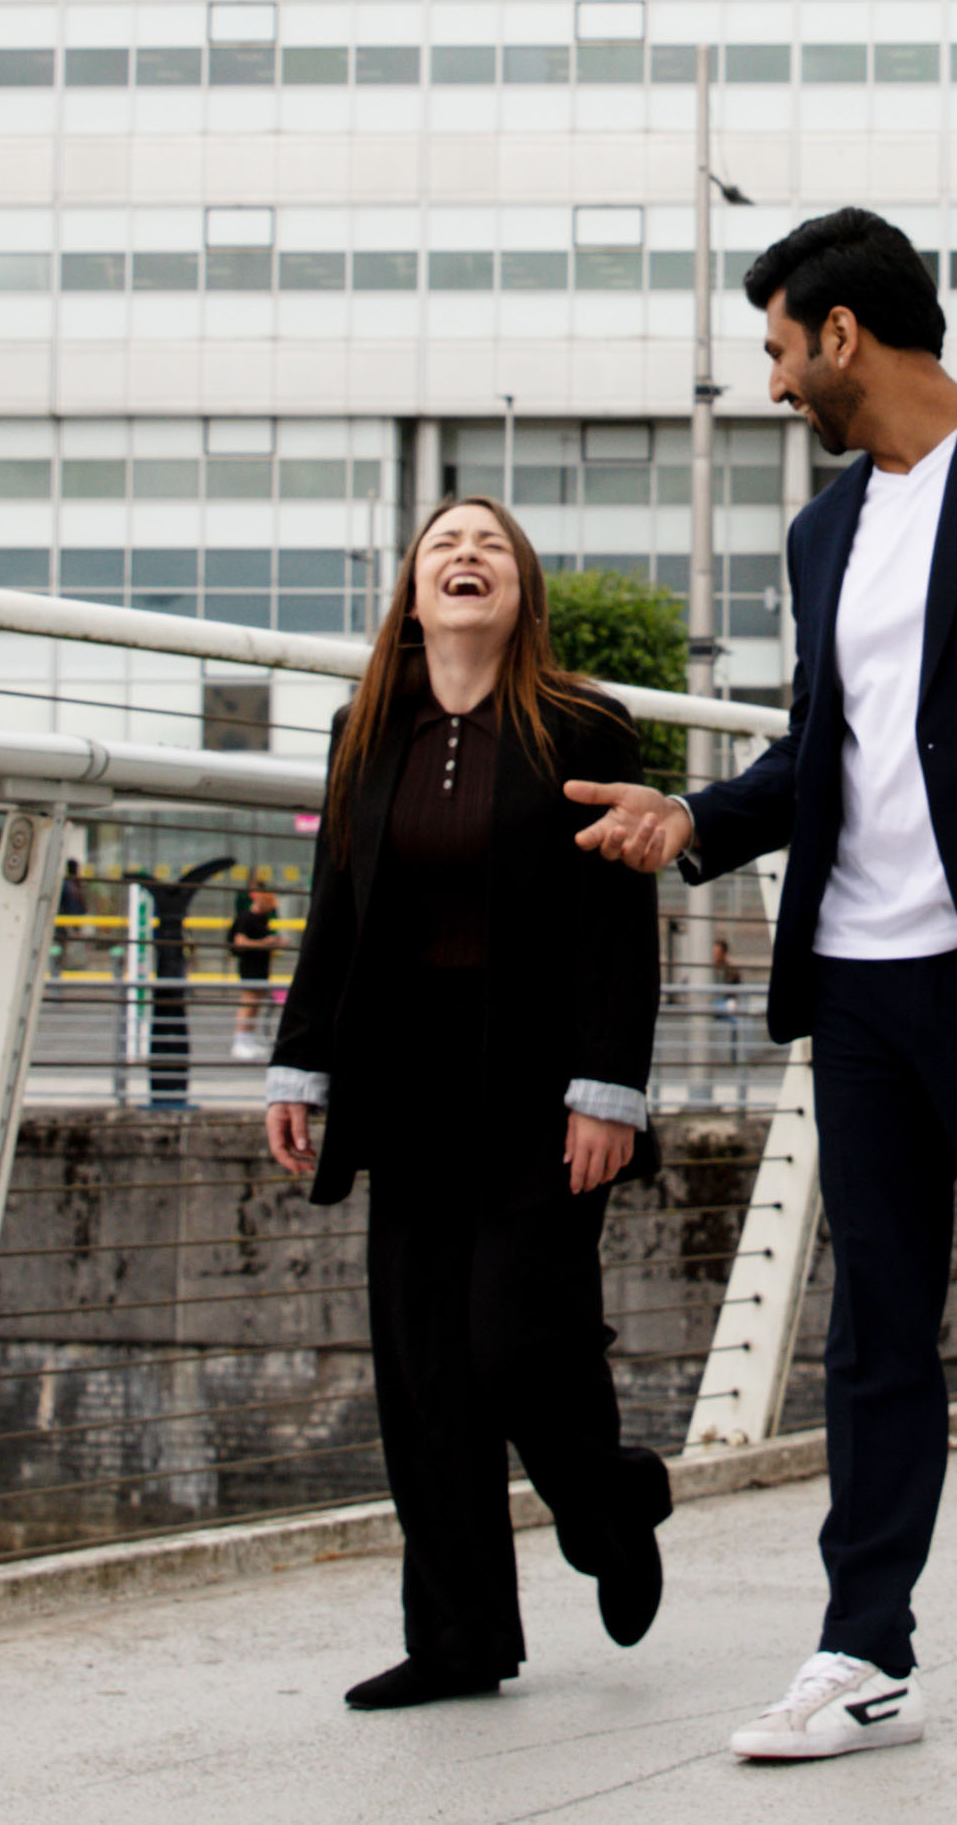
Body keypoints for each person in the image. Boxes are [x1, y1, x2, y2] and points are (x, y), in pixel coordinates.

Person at [568, 206, 957, 1761]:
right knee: (872, 1321)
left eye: (779, 349)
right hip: (858, 971)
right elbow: (823, 751)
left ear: (841, 332)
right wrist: (695, 822)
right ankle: (864, 1650)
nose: (775, 382)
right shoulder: (822, 530)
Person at [259, 494, 669, 1714]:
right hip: (406, 1084)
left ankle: (606, 1500)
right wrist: (300, 1062)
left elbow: (615, 919)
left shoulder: (583, 723)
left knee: (518, 1340)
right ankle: (457, 1638)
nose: (465, 554)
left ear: (521, 587)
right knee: (425, 1369)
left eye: (488, 542)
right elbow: (338, 900)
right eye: (443, 543)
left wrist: (609, 1085)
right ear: (413, 587)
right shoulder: (363, 723)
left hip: (543, 1090)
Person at [225, 881, 283, 1060]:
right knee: (248, 1003)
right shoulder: (246, 917)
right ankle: (239, 1042)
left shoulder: (264, 918)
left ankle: (248, 1040)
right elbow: (240, 943)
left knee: (255, 1005)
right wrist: (265, 943)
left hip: (261, 967)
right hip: (249, 967)